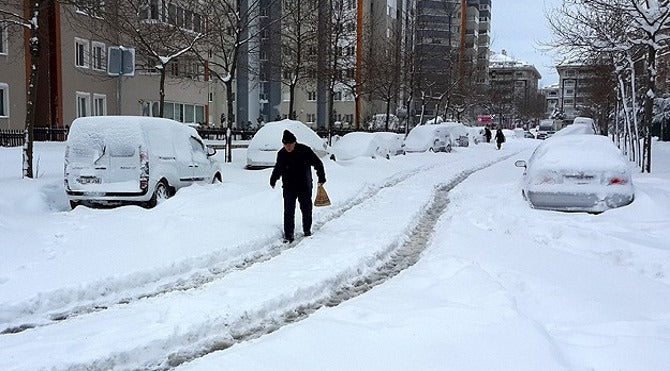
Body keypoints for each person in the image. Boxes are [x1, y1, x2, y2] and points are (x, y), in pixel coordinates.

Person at [270, 130, 326, 243]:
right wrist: (274, 178)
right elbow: (278, 168)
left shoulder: (304, 150)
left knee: (306, 209)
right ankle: (288, 235)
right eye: (286, 145)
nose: (288, 147)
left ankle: (307, 230)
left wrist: (321, 177)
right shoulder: (281, 154)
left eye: (290, 144)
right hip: (289, 187)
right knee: (288, 211)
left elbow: (318, 163)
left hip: (304, 185)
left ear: (295, 142)